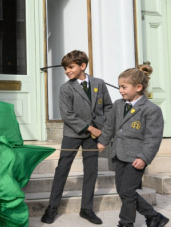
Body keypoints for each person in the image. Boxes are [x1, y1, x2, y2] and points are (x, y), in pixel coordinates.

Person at [41, 50, 113, 224]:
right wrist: (90, 128)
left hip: (94, 136)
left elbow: (108, 107)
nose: (67, 71)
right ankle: (52, 207)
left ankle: (87, 209)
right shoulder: (66, 88)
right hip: (73, 134)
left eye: (70, 67)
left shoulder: (99, 83)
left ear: (83, 66)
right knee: (62, 170)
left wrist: (104, 129)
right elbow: (67, 115)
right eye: (65, 68)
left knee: (91, 171)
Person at [98, 64, 169, 227]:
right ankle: (154, 217)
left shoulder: (151, 110)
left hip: (136, 157)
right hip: (119, 154)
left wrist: (144, 157)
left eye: (124, 87)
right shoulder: (118, 104)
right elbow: (109, 126)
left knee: (127, 192)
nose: (120, 90)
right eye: (119, 87)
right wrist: (102, 141)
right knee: (122, 191)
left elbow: (153, 138)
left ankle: (126, 223)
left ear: (138, 87)